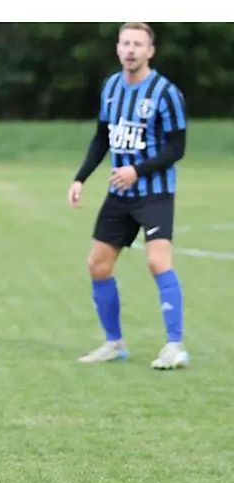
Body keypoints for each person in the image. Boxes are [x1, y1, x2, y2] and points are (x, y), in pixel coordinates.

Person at [67, 22, 189, 369]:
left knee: (157, 261)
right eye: (125, 43)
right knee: (98, 265)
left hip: (155, 193)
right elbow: (102, 138)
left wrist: (137, 170)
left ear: (150, 51)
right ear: (118, 49)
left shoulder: (166, 92)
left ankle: (175, 346)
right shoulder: (111, 87)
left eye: (138, 44)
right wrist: (80, 178)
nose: (131, 50)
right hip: (119, 194)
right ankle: (114, 343)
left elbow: (177, 148)